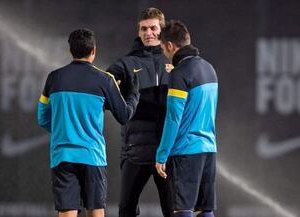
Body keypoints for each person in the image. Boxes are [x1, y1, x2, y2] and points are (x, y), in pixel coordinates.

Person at [37, 28, 139, 217]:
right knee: (95, 211)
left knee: (67, 213)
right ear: (93, 50)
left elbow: (42, 118)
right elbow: (124, 116)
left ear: (70, 51)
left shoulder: (54, 78)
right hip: (92, 157)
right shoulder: (104, 80)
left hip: (63, 156)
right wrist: (133, 94)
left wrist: (64, 131)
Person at [106, 7, 171, 217]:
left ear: (162, 30)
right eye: (143, 29)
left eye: (153, 28)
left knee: (172, 210)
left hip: (167, 151)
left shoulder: (174, 61)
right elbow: (106, 85)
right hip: (135, 151)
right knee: (126, 209)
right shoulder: (126, 63)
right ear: (138, 31)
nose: (148, 33)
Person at [155, 20, 218, 217]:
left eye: (163, 48)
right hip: (208, 150)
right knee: (204, 210)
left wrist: (162, 155)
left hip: (185, 152)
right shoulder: (209, 69)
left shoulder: (179, 74)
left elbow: (173, 118)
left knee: (183, 209)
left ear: (170, 46)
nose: (164, 53)